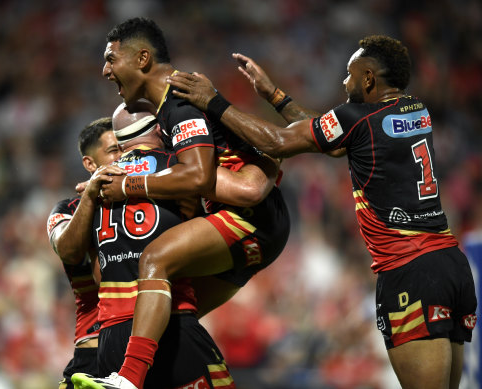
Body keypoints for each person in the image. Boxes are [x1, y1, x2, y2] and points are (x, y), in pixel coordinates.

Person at [166, 35, 478, 389]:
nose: (345, 83)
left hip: (410, 270)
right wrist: (275, 96)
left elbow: (277, 143)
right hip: (450, 265)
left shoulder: (358, 118)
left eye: (350, 75)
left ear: (369, 79)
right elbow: (334, 139)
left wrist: (214, 102)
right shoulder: (414, 109)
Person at [86, 17, 290, 389]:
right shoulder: (180, 100)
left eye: (111, 59)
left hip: (249, 218)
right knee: (174, 316)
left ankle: (129, 380)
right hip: (256, 222)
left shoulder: (180, 105)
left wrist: (130, 186)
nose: (105, 70)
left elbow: (200, 177)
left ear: (142, 59)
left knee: (154, 261)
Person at [71, 100, 235, 389]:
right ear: (159, 129)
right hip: (170, 325)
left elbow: (98, 273)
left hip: (111, 337)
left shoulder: (97, 186)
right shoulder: (178, 169)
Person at [47, 118, 122, 389]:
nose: (124, 154)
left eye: (126, 146)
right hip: (94, 351)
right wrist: (91, 197)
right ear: (90, 164)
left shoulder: (150, 201)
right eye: (114, 150)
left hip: (150, 346)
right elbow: (68, 250)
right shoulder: (67, 209)